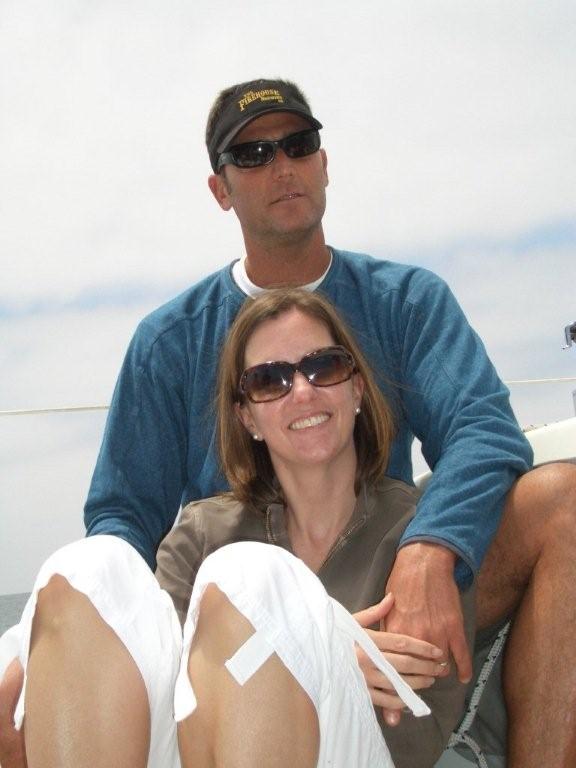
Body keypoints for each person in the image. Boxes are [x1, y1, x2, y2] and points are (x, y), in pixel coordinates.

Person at [1, 77, 575, 767]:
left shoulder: (405, 302)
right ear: (221, 190)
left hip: (376, 586)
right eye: (253, 154)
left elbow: (482, 428)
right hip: (223, 609)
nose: (282, 166)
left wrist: (432, 547)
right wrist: (65, 633)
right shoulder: (169, 343)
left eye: (298, 145)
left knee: (563, 502)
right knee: (74, 613)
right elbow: (123, 518)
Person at [0, 288, 473, 768]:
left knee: (249, 573)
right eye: (269, 380)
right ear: (247, 417)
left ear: (357, 389)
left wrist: (311, 663)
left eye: (324, 367)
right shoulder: (203, 532)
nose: (302, 391)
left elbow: (417, 723)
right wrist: (326, 649)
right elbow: (153, 679)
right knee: (93, 561)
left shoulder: (421, 537)